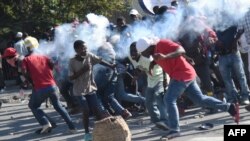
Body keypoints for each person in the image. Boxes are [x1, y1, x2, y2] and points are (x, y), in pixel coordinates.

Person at [134, 37, 238, 139]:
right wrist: (153, 64)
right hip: (184, 75)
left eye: (143, 52)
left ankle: (174, 130)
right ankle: (229, 107)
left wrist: (165, 57)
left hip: (182, 74)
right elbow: (163, 58)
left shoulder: (162, 44)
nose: (143, 55)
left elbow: (180, 50)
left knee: (169, 99)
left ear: (148, 48)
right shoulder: (153, 53)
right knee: (200, 100)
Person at [3, 46, 76, 134]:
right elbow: (53, 65)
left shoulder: (23, 61)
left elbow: (23, 72)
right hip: (52, 86)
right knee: (59, 106)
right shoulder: (42, 57)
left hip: (40, 88)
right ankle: (72, 128)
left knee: (33, 106)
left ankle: (46, 123)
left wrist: (29, 82)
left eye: (7, 59)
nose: (8, 62)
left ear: (13, 58)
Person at [68, 40, 112, 141]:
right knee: (86, 110)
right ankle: (87, 133)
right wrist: (83, 70)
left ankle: (100, 131)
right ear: (76, 50)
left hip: (90, 88)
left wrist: (111, 65)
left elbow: (100, 60)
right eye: (82, 48)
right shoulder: (72, 61)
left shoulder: (89, 55)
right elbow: (71, 78)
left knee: (96, 110)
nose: (84, 50)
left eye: (86, 48)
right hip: (79, 90)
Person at [129, 42, 169, 130]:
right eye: (131, 51)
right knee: (148, 102)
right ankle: (157, 122)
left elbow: (163, 66)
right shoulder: (136, 58)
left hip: (160, 78)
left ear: (139, 51)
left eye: (134, 51)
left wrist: (165, 80)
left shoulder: (148, 57)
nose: (132, 53)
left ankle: (165, 121)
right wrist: (135, 76)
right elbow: (141, 68)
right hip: (151, 80)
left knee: (159, 98)